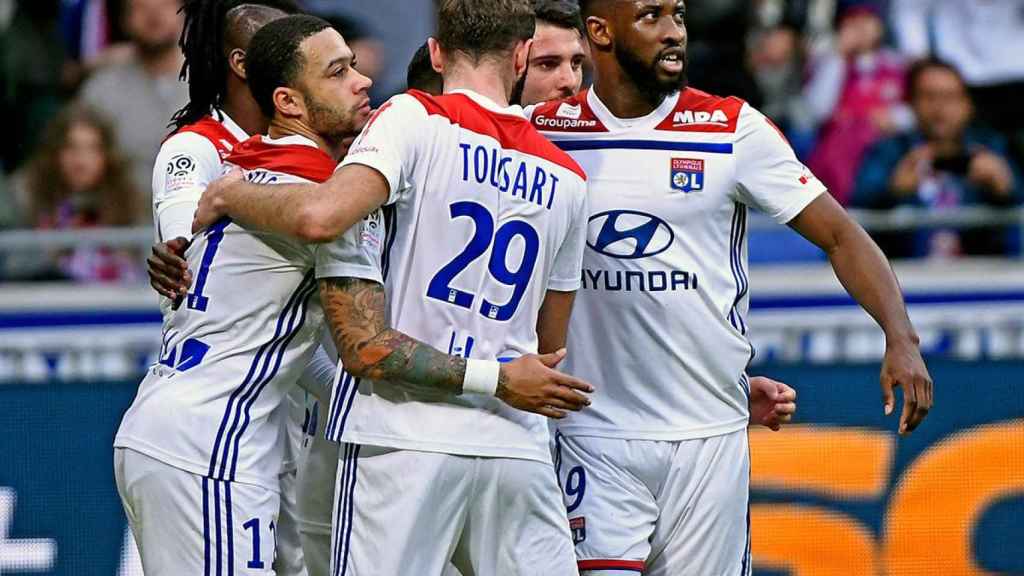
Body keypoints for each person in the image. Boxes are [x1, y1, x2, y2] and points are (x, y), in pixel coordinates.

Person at [524, 0, 934, 573]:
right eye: (650, 17)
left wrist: (901, 336)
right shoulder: (542, 133)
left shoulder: (731, 128)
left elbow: (841, 234)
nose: (673, 33)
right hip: (592, 434)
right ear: (600, 32)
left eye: (679, 16)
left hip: (709, 436)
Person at [193, 2, 597, 573]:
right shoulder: (570, 177)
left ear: (435, 53)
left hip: (400, 438)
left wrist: (229, 194)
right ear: (522, 55)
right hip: (515, 445)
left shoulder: (412, 118)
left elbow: (322, 216)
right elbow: (551, 341)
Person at [111, 12, 381, 575]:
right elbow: (181, 272)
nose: (362, 82)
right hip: (213, 435)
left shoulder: (243, 165)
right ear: (286, 97)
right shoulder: (218, 157)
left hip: (219, 425)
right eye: (338, 72)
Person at [852, 58, 1022, 258]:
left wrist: (1005, 189)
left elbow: (1016, 198)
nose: (939, 107)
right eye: (929, 96)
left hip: (980, 276)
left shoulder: (991, 148)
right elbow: (856, 208)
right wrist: (892, 191)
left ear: (968, 105)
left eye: (950, 97)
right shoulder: (889, 151)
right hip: (907, 275)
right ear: (911, 103)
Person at [78, 0, 189, 215]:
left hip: (201, 225)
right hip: (122, 228)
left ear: (183, 14)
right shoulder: (100, 89)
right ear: (125, 20)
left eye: (164, 6)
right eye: (141, 8)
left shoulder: (214, 83)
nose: (153, 16)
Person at [13, 104, 139, 282]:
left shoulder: (130, 203)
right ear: (55, 153)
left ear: (107, 155)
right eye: (71, 148)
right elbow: (16, 270)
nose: (81, 160)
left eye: (92, 148)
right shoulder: (28, 199)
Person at [804, 1, 911, 205]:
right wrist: (838, 56)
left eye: (868, 18)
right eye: (853, 19)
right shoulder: (828, 62)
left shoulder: (897, 64)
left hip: (884, 149)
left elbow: (916, 113)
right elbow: (818, 112)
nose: (860, 26)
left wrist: (894, 118)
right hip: (838, 152)